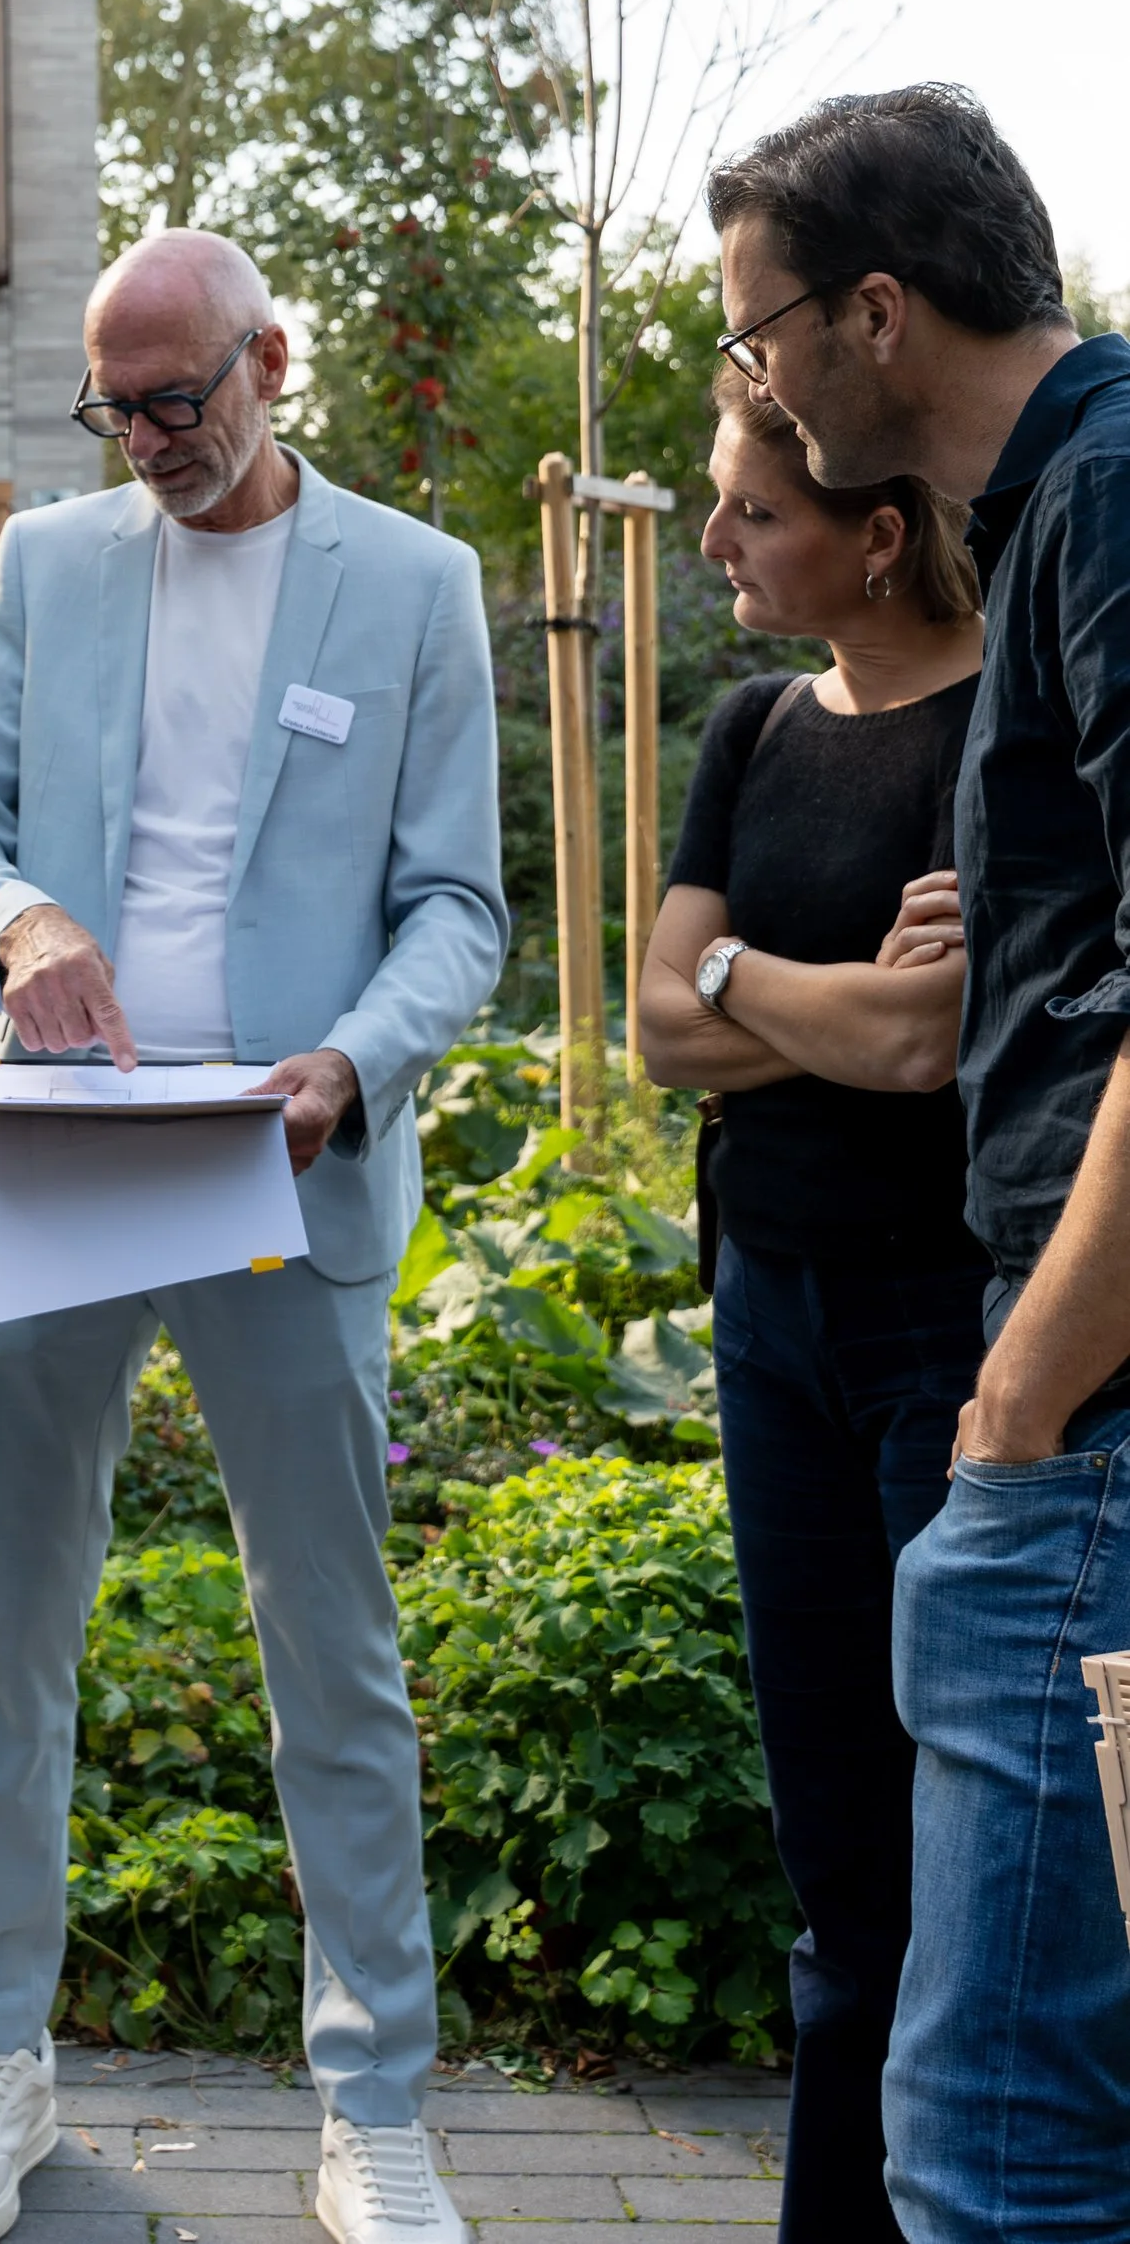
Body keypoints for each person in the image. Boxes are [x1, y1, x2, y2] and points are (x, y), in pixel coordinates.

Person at [0, 228, 505, 2244]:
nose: (146, 436)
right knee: (12, 1638)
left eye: (178, 396)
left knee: (332, 1652)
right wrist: (19, 925)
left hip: (285, 1158)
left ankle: (373, 2103)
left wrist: (350, 1060)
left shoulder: (414, 586)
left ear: (269, 358)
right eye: (114, 404)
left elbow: (457, 912)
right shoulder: (43, 567)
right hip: (60, 1150)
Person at [706, 84, 1130, 2244]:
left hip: (1074, 1426)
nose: (747, 384)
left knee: (991, 2138)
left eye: (753, 330)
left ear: (873, 313)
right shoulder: (1075, 503)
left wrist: (1020, 1399)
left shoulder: (1113, 496)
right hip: (1049, 1398)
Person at [638, 362, 986, 2244]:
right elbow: (647, 1027)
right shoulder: (754, 728)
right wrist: (817, 991)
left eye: (751, 513)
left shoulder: (1001, 723)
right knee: (838, 1863)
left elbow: (929, 1043)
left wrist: (742, 976)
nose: (714, 542)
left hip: (942, 1339)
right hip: (765, 1321)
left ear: (874, 525)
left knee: (958, 1867)